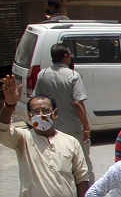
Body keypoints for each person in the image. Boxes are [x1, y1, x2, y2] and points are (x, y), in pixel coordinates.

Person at [33, 43, 92, 179]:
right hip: (72, 129)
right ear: (65, 56)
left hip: (50, 128)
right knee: (82, 163)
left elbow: (37, 100)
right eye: (70, 54)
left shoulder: (43, 75)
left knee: (56, 161)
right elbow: (78, 103)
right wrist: (86, 128)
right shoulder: (73, 76)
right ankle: (86, 194)